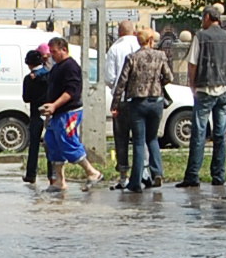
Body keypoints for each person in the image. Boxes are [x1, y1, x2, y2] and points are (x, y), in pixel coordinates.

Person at [178, 5, 226, 188]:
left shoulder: (200, 37)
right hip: (224, 91)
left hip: (204, 90)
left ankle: (192, 176)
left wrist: (193, 85)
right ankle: (219, 176)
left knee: (199, 134)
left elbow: (193, 63)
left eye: (203, 18)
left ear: (209, 17)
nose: (202, 22)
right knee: (220, 134)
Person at [39, 36, 102, 189]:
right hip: (56, 114)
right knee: (52, 143)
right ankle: (60, 180)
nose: (51, 55)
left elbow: (71, 91)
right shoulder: (57, 67)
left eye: (54, 52)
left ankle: (92, 172)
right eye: (50, 52)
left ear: (64, 49)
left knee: (68, 141)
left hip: (69, 112)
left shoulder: (71, 66)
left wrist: (54, 105)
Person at [113, 27, 171, 191]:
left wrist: (115, 104)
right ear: (151, 40)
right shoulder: (160, 56)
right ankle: (157, 172)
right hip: (156, 101)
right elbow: (169, 77)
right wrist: (157, 84)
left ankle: (136, 182)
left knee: (138, 142)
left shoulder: (132, 57)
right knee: (152, 139)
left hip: (138, 103)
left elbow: (122, 83)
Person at [101, 19, 139, 181]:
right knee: (140, 137)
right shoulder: (141, 47)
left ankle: (123, 173)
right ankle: (141, 172)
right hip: (140, 99)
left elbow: (109, 78)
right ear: (134, 31)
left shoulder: (115, 49)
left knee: (121, 137)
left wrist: (116, 88)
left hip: (122, 99)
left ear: (119, 32)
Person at [20, 47, 50, 185]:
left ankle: (31, 174)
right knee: (50, 144)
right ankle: (52, 175)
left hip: (36, 113)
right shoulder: (49, 75)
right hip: (50, 112)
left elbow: (26, 98)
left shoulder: (29, 79)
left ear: (29, 64)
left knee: (34, 145)